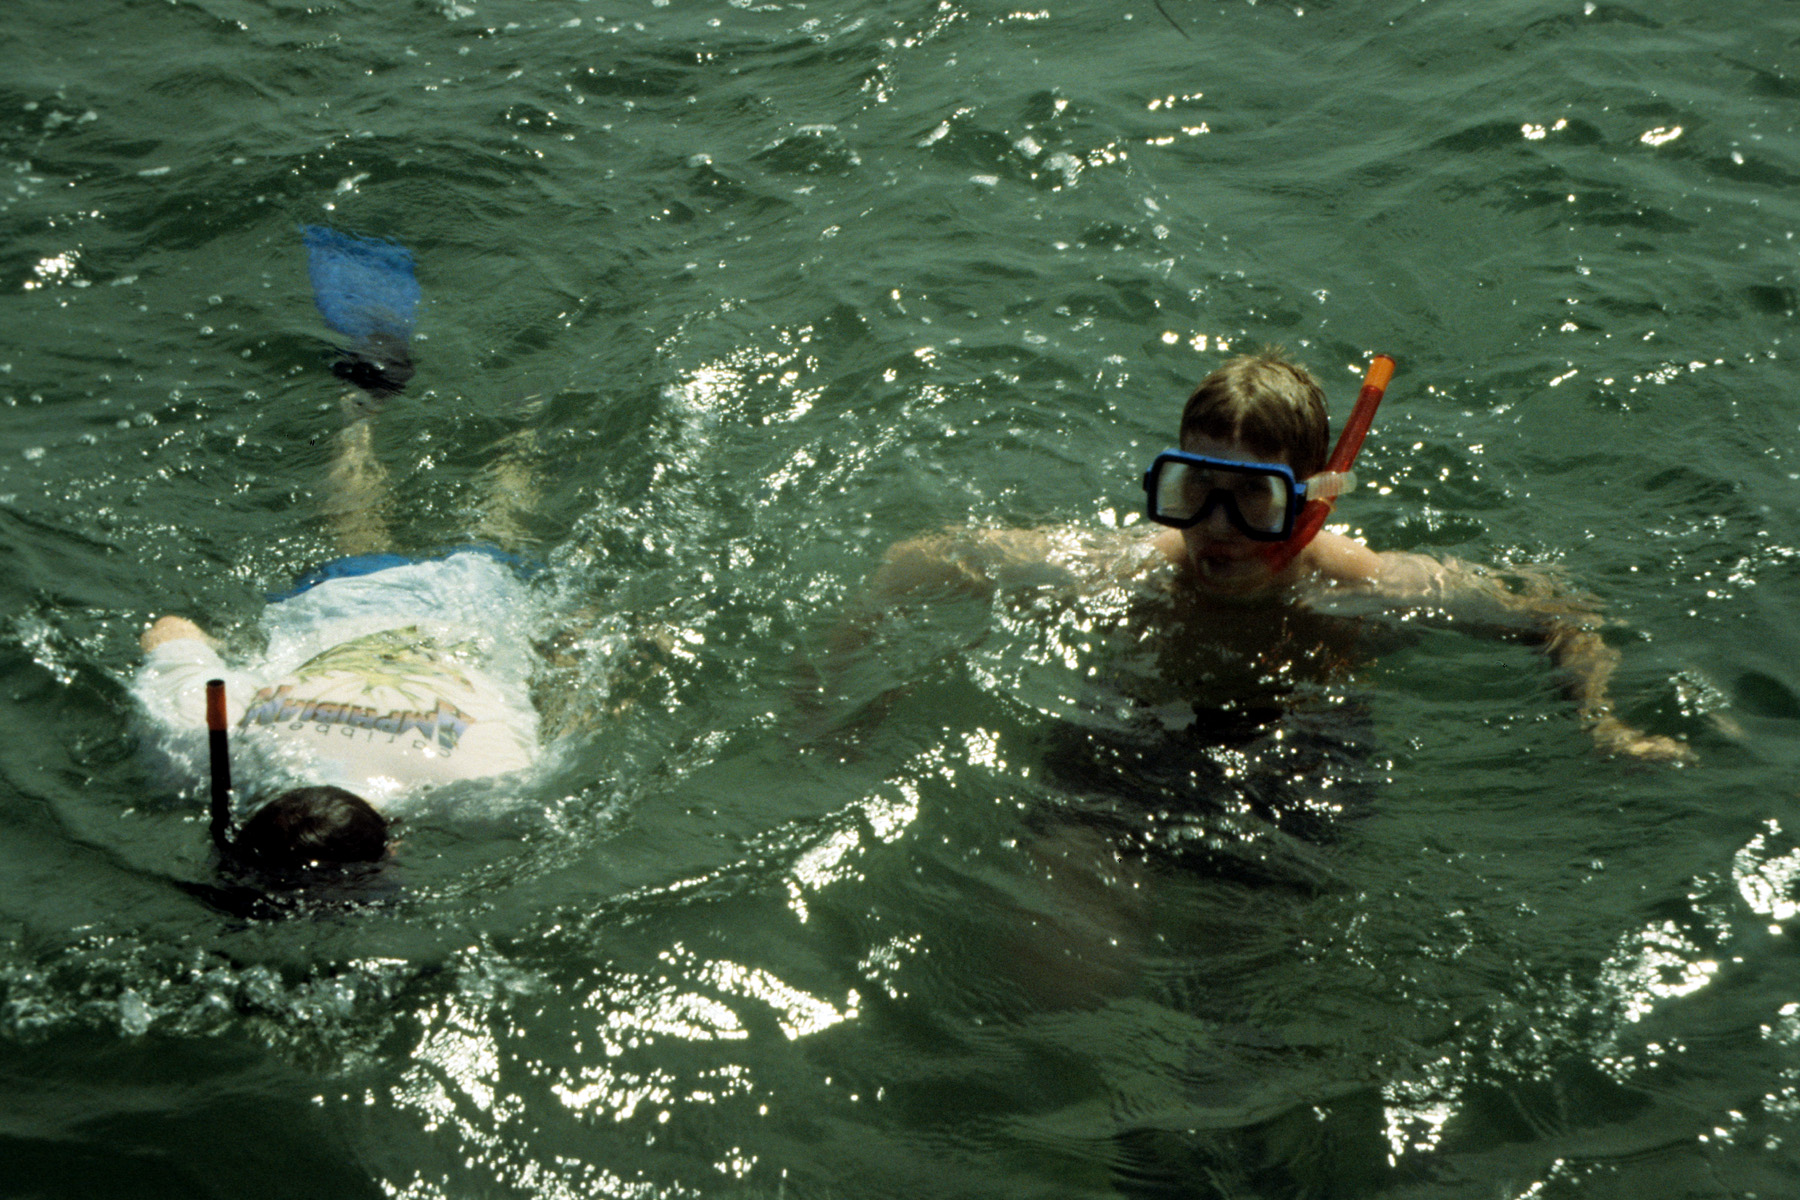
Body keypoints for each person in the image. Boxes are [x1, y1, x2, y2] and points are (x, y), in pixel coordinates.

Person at [841, 348, 1689, 764]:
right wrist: (843, 676)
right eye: (1195, 489)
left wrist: (1602, 721)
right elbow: (920, 558)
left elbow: (1554, 611)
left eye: (1254, 497)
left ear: (1313, 503)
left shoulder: (1369, 588)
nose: (1217, 527)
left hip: (1301, 751)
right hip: (1134, 735)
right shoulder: (1128, 569)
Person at [133, 228, 548, 877]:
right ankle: (360, 410)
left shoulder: (494, 781)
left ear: (395, 847)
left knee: (499, 526)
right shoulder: (213, 739)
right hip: (339, 599)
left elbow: (565, 698)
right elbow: (169, 630)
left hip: (471, 606)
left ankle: (525, 417)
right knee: (358, 530)